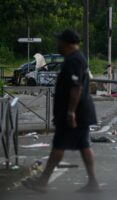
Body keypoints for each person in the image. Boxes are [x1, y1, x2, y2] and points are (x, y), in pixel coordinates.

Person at [22, 29, 99, 193]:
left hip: (74, 113)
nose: (58, 44)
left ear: (68, 43)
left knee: (59, 146)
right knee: (83, 145)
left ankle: (43, 182)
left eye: (60, 41)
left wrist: (70, 112)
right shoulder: (75, 59)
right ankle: (93, 182)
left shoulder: (74, 60)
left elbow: (76, 88)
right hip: (80, 111)